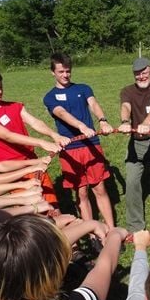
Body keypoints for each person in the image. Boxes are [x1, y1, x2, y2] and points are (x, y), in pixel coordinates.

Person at [0, 64, 70, 207]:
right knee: (33, 214)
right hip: (13, 171)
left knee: (51, 206)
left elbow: (35, 122)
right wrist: (41, 142)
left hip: (35, 163)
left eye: (1, 86)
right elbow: (7, 136)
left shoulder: (15, 106)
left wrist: (53, 134)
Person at [43, 53, 115, 229]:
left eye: (68, 71)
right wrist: (81, 126)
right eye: (61, 71)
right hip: (70, 149)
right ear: (53, 72)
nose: (65, 75)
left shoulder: (83, 88)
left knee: (100, 189)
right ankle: (92, 232)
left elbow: (94, 104)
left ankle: (112, 230)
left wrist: (102, 120)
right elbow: (61, 113)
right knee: (81, 192)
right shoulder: (50, 97)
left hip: (91, 145)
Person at [118, 57, 150, 232]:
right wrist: (125, 121)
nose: (141, 76)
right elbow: (125, 106)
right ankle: (135, 225)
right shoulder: (127, 91)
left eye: (144, 72)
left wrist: (147, 123)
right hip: (136, 144)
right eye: (137, 74)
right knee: (132, 182)